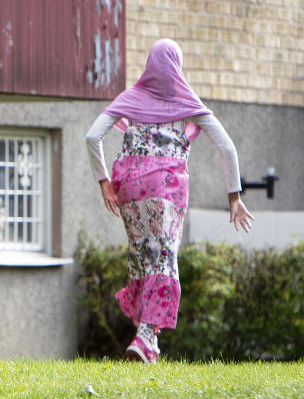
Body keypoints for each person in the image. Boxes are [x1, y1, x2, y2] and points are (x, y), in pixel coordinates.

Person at [85, 38, 254, 364]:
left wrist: (104, 182)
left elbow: (93, 136)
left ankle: (148, 339)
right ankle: (147, 335)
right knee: (163, 255)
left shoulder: (130, 97)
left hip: (129, 188)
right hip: (165, 189)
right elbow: (228, 148)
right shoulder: (186, 100)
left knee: (141, 254)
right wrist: (234, 197)